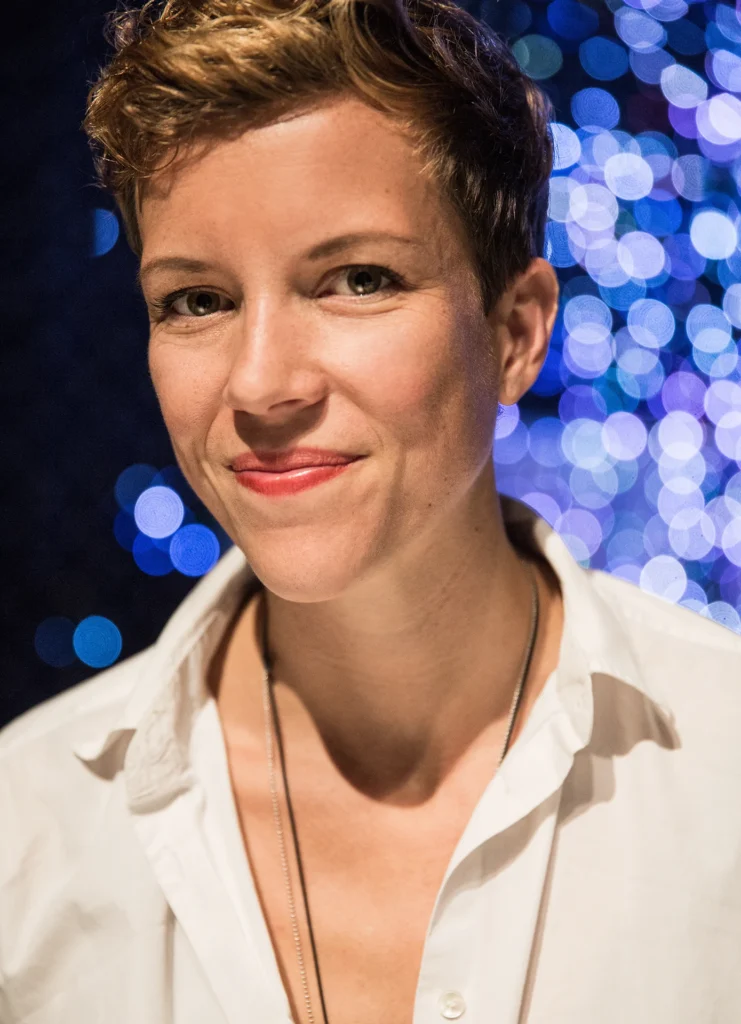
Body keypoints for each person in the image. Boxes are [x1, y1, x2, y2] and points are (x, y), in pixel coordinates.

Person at [2, 0, 741, 1021]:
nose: (260, 385)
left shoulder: (722, 766)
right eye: (197, 300)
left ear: (517, 333)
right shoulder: (26, 833)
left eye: (357, 280)